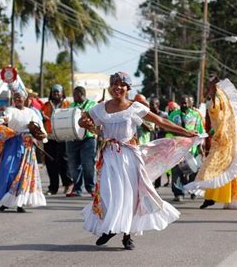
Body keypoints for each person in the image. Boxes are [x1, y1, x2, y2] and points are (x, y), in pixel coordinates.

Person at [79, 72, 198, 250]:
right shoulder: (100, 108)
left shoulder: (135, 108)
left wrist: (185, 132)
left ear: (128, 88)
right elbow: (84, 121)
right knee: (108, 193)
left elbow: (161, 121)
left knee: (129, 195)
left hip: (129, 157)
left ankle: (127, 235)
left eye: (121, 84)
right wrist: (85, 123)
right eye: (114, 84)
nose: (117, 87)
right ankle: (110, 227)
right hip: (109, 156)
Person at [184, 73, 237, 210]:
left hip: (226, 140)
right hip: (222, 139)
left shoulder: (222, 102)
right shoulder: (220, 102)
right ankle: (210, 197)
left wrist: (214, 88)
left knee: (218, 167)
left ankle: (229, 198)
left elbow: (215, 102)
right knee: (221, 167)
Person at [0, 91, 47, 212]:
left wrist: (40, 135)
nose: (18, 99)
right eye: (16, 97)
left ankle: (20, 203)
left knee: (24, 173)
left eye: (20, 97)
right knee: (8, 170)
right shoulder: (10, 110)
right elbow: (7, 117)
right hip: (12, 143)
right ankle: (6, 201)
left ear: (25, 99)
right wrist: (4, 119)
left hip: (27, 145)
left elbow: (39, 127)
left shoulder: (31, 112)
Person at [168, 95, 204, 201]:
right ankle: (178, 193)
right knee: (176, 170)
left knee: (193, 170)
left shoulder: (196, 115)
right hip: (177, 147)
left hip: (192, 148)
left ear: (191, 103)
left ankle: (193, 190)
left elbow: (200, 132)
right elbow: (168, 127)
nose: (184, 104)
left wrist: (200, 147)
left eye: (186, 103)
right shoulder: (174, 115)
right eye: (182, 102)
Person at [41, 84, 73, 195]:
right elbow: (40, 118)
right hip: (49, 137)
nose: (56, 93)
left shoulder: (68, 104)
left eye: (58, 92)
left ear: (62, 93)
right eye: (54, 91)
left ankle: (68, 184)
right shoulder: (45, 105)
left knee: (63, 161)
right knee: (50, 162)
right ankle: (53, 188)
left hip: (63, 136)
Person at [66, 86, 97, 197]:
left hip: (88, 138)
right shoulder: (71, 106)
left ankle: (91, 188)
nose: (73, 97)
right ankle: (77, 189)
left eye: (75, 94)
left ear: (81, 94)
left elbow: (95, 118)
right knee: (73, 165)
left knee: (88, 164)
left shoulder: (92, 105)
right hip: (72, 139)